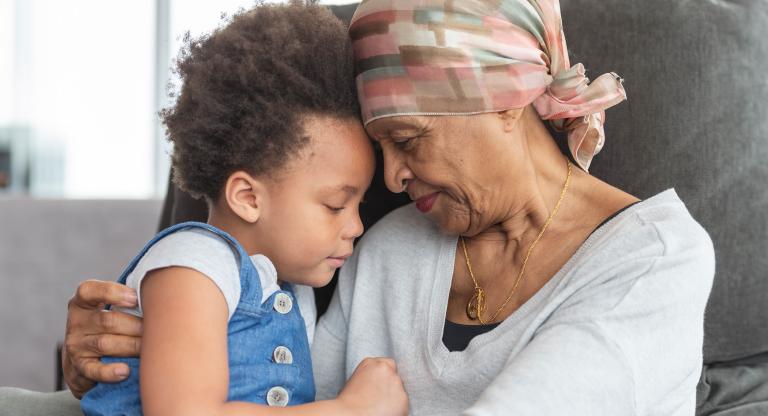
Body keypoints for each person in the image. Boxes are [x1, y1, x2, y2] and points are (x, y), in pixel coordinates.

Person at [60, 0, 715, 414]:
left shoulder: (655, 260)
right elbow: (270, 392)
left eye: (407, 140)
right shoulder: (395, 246)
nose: (395, 180)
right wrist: (127, 353)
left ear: (507, 102)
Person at [76, 3, 409, 416]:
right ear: (248, 198)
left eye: (358, 205)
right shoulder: (192, 269)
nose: (356, 226)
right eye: (335, 205)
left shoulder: (289, 290)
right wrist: (348, 410)